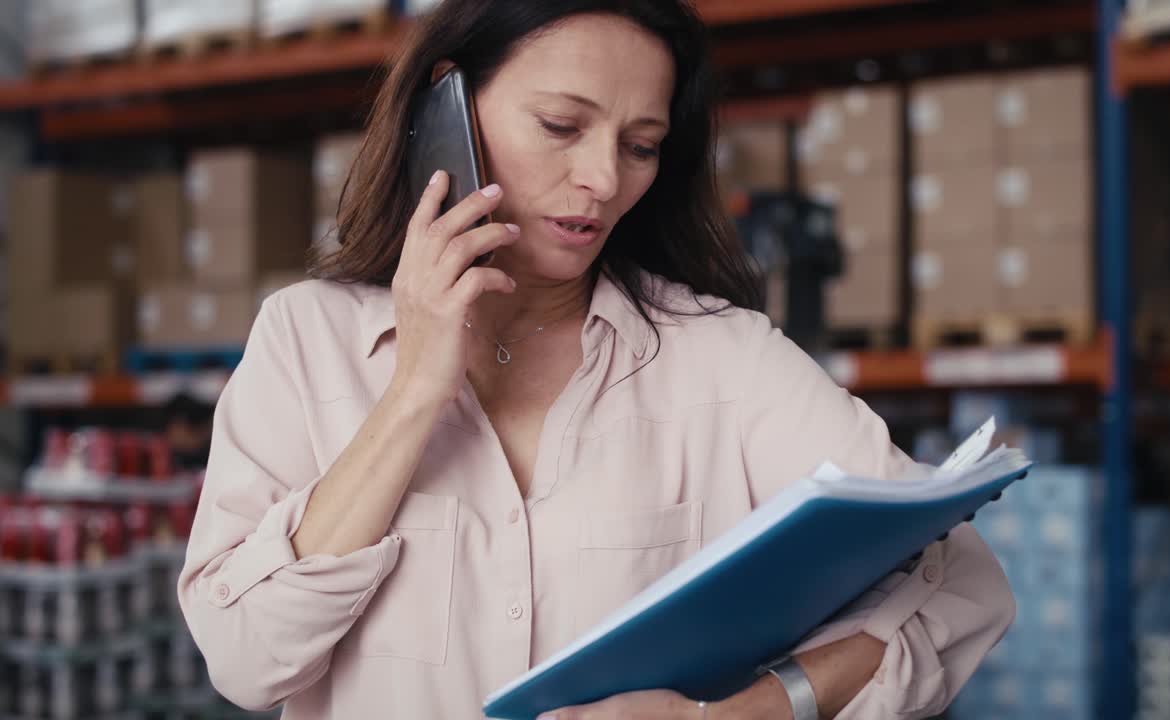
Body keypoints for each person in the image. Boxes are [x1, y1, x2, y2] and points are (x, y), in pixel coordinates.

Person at [177, 1, 1015, 718]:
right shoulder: (303, 342)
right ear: (448, 112)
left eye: (641, 144)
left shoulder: (722, 360)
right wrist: (414, 390)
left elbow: (959, 584)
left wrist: (748, 713)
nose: (603, 179)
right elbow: (248, 661)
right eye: (560, 127)